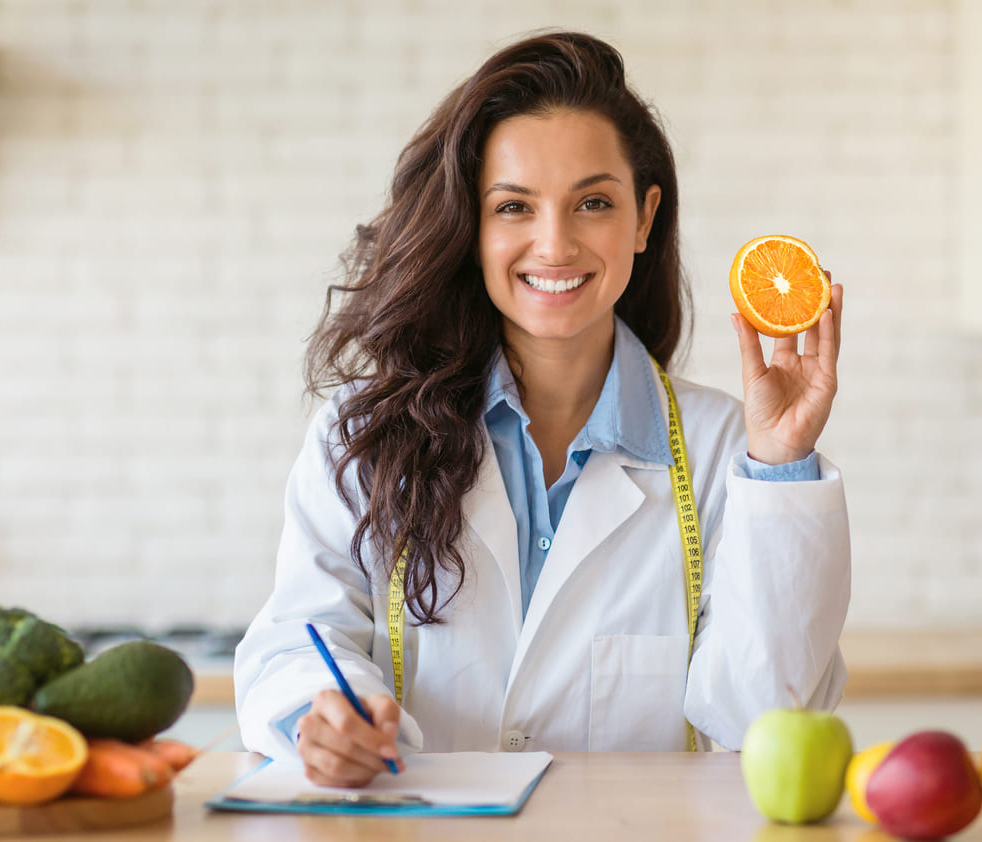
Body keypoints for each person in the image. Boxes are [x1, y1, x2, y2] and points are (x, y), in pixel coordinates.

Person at [234, 31, 850, 788]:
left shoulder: (730, 450)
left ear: (644, 218)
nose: (554, 245)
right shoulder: (364, 433)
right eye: (514, 206)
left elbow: (765, 720)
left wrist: (783, 465)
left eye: (593, 202)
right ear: (473, 224)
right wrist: (324, 716)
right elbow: (299, 639)